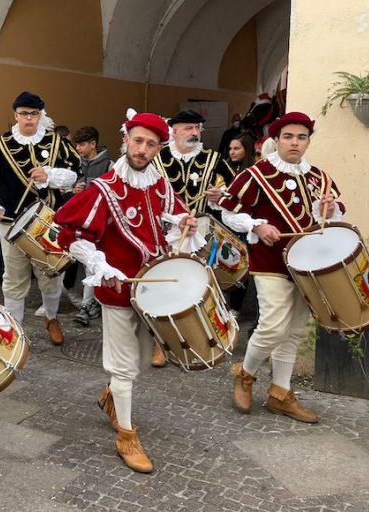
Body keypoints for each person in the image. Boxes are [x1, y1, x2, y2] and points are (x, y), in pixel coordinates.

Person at [55, 112, 202, 473]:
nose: (143, 149)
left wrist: (185, 222)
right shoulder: (104, 187)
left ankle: (111, 397)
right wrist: (101, 266)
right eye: (138, 141)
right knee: (124, 366)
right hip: (118, 289)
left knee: (139, 364)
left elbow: (173, 217)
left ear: (158, 148)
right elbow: (71, 237)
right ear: (126, 140)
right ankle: (126, 434)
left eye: (151, 144)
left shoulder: (160, 185)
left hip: (152, 290)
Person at [216, 112, 343, 424]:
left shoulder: (319, 177)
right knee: (273, 325)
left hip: (307, 265)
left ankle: (280, 394)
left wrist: (329, 209)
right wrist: (257, 226)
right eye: (288, 136)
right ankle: (245, 375)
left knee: (295, 331)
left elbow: (333, 215)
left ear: (308, 141)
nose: (295, 143)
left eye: (301, 137)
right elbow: (229, 210)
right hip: (270, 261)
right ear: (276, 140)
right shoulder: (256, 175)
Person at [0, 91, 81, 346]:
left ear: (40, 115)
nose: (29, 118)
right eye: (24, 114)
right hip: (11, 223)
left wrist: (50, 175)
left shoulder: (57, 142)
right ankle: (15, 329)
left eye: (34, 113)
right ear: (15, 115)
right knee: (13, 278)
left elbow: (74, 174)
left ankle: (51, 318)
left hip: (48, 221)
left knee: (51, 274)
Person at [152, 108, 235, 367]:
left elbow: (234, 192)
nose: (195, 133)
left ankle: (205, 336)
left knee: (201, 284)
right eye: (189, 128)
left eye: (198, 128)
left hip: (200, 230)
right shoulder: (157, 158)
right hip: (165, 230)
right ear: (173, 131)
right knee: (164, 284)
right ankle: (161, 343)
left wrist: (219, 196)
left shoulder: (215, 158)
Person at [67, 126, 114, 326]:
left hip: (101, 222)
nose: (78, 148)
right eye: (76, 144)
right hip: (80, 221)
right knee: (87, 263)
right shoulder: (76, 165)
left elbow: (114, 194)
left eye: (82, 144)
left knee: (94, 264)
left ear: (93, 144)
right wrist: (72, 190)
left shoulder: (110, 166)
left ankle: (90, 305)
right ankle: (90, 304)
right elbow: (66, 193)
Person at [222, 133, 256, 316]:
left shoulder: (253, 171)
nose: (232, 152)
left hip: (245, 223)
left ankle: (236, 307)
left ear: (246, 150)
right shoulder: (225, 168)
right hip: (227, 223)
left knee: (241, 265)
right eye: (230, 148)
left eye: (237, 148)